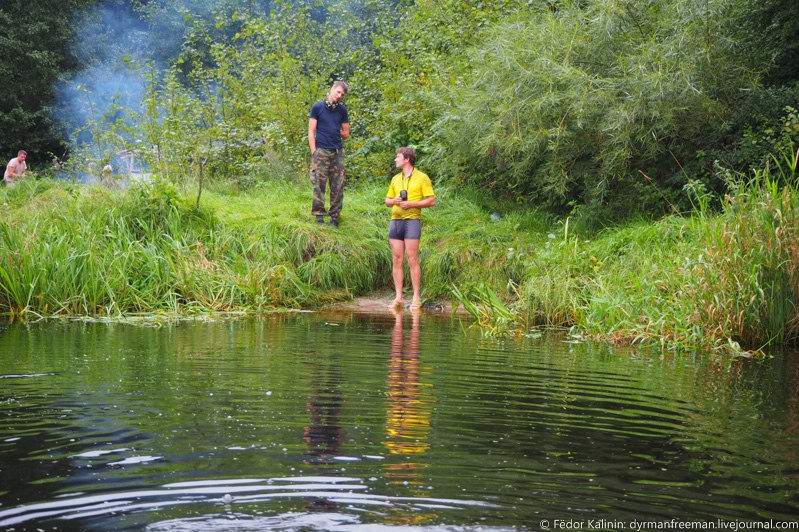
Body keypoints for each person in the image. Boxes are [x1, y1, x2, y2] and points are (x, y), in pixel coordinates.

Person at [385, 147, 436, 309]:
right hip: (395, 221)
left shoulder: (422, 177)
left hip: (412, 221)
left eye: (397, 157)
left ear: (407, 159)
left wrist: (411, 204)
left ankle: (416, 297)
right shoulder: (395, 179)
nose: (395, 159)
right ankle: (399, 297)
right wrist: (396, 200)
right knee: (397, 259)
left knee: (412, 258)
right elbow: (387, 200)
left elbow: (431, 201)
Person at [308, 80, 350, 227]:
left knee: (338, 186)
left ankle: (334, 218)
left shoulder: (342, 110)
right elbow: (311, 131)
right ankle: (319, 217)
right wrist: (314, 151)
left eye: (342, 94)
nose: (339, 96)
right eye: (338, 92)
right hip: (321, 151)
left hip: (337, 152)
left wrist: (340, 131)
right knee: (319, 184)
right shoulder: (317, 107)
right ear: (332, 90)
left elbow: (346, 133)